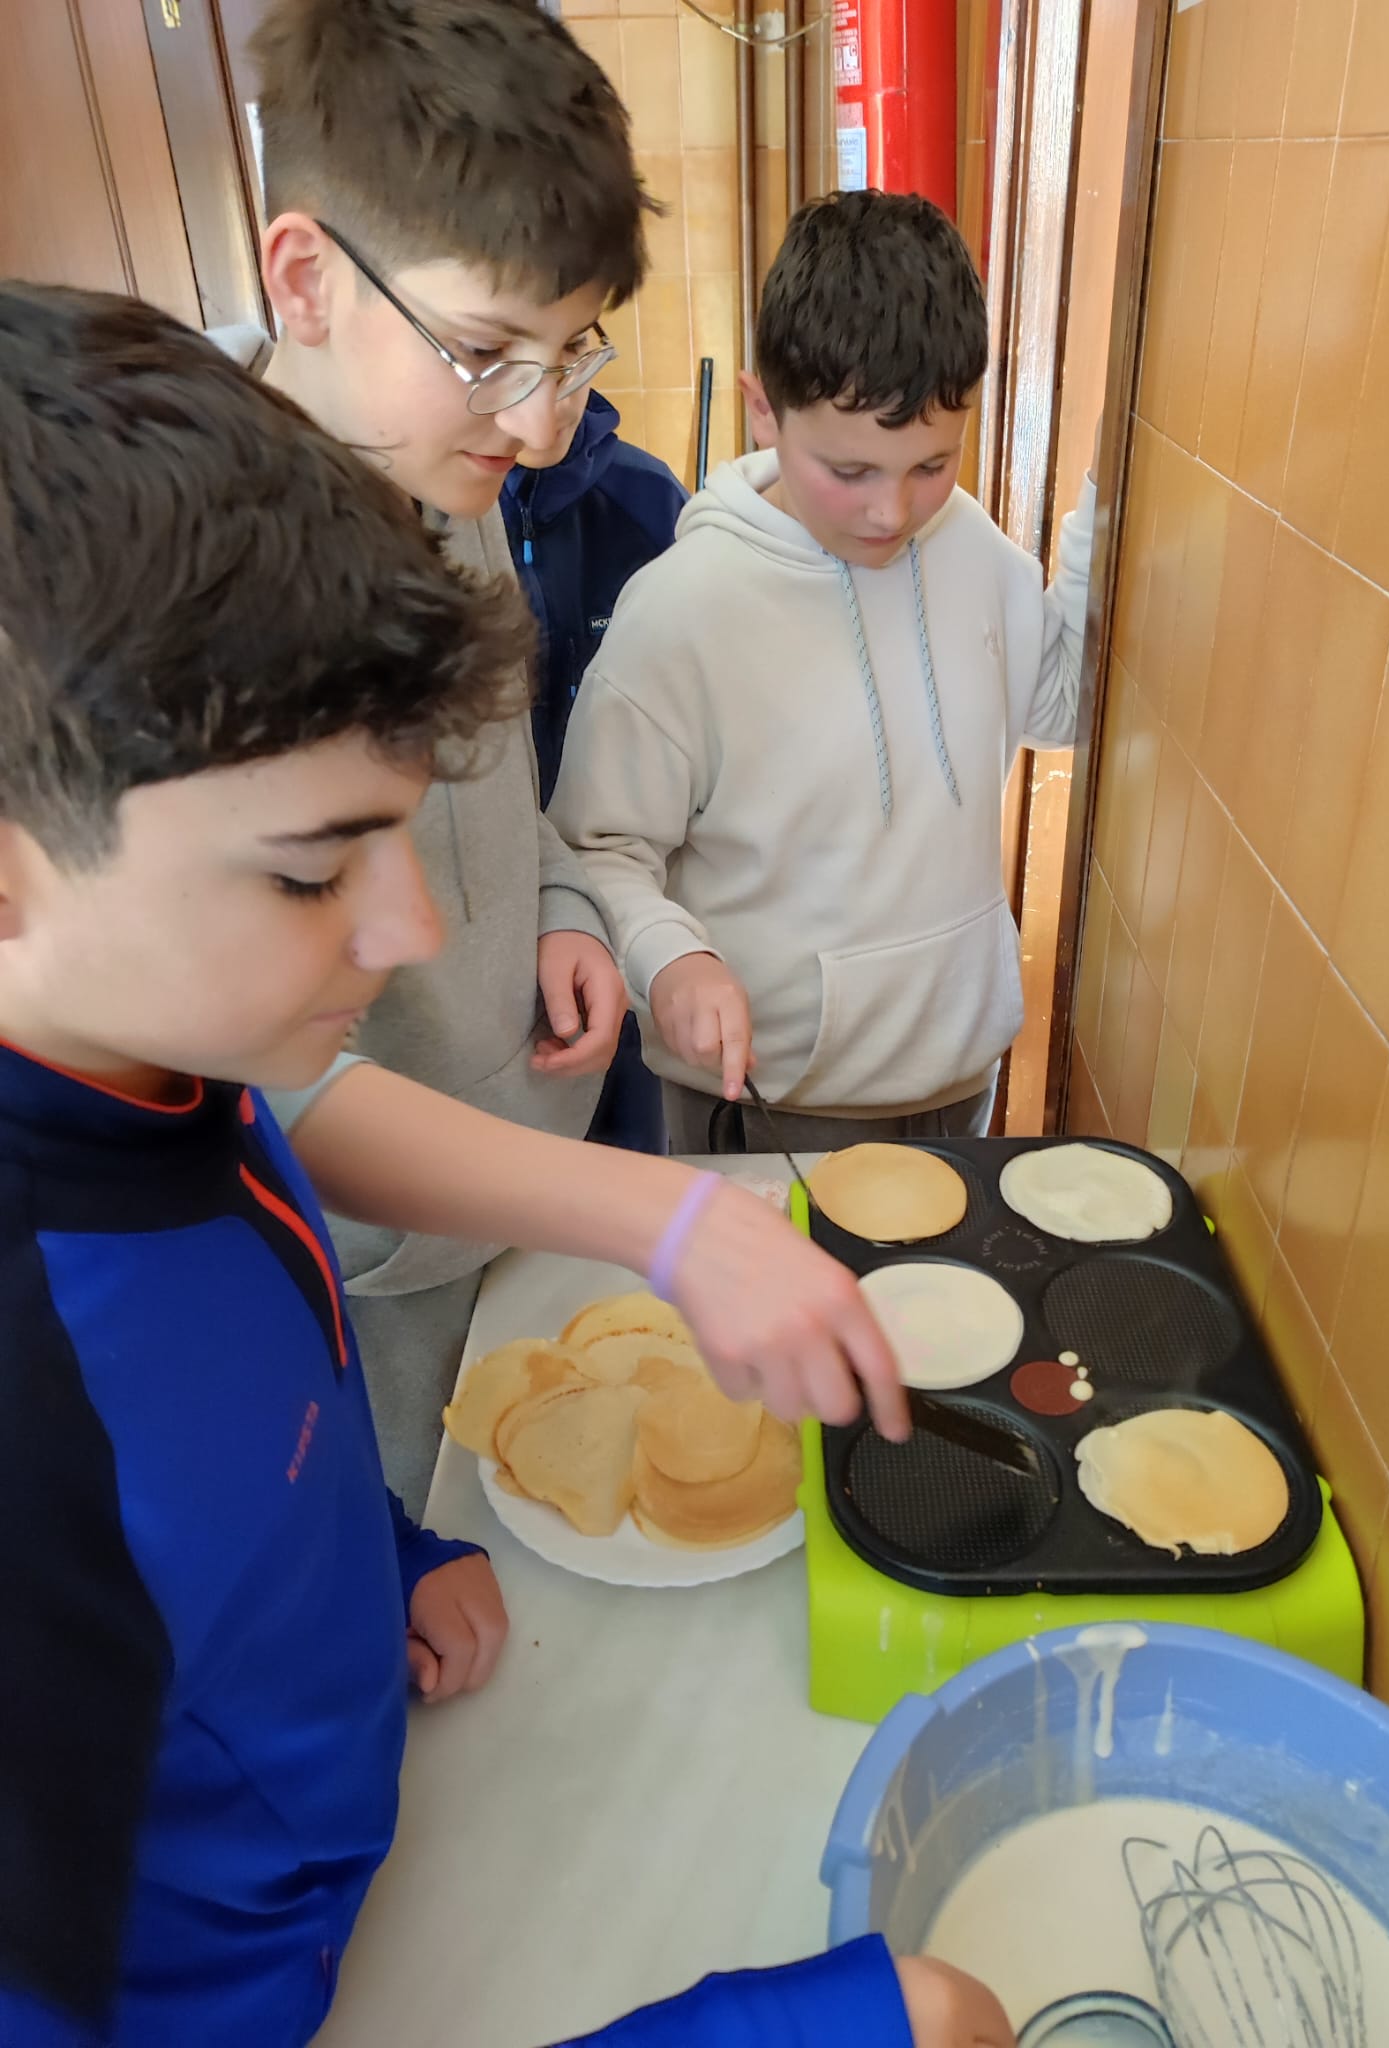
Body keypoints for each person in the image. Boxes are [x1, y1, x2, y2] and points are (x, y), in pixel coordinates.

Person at [0, 284, 1004, 2048]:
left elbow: (258, 1305)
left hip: (380, 1828)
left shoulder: (164, 1068)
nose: (406, 929)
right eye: (313, 869)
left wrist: (383, 1554)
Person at [215, 0, 900, 1509]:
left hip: (528, 1177)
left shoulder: (438, 476)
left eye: (569, 349)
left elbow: (500, 793)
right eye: (483, 352)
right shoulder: (213, 603)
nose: (536, 427)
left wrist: (566, 912)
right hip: (375, 1275)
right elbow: (275, 1078)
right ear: (306, 278)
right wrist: (664, 1219)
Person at [551, 190, 1097, 1155]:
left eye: (931, 465)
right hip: (766, 1102)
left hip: (959, 1081)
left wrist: (1111, 505)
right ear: (764, 410)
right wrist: (671, 958)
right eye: (849, 472)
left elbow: (1059, 702)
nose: (892, 512)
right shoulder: (683, 612)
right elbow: (598, 847)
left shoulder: (967, 543)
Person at [503, 380, 687, 1155]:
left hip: (624, 889)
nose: (551, 399)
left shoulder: (650, 501)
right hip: (498, 895)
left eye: (571, 359)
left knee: (633, 1139)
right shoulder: (447, 508)